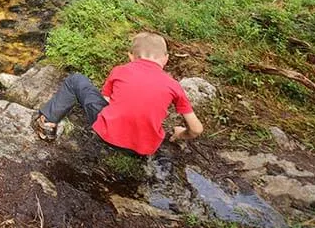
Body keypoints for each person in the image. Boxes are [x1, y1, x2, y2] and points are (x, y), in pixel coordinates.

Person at [31, 32, 203, 156]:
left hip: (108, 136)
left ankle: (47, 123)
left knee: (76, 80)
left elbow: (106, 101)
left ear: (131, 56)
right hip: (143, 150)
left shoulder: (121, 71)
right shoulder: (173, 85)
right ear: (165, 58)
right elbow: (196, 129)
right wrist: (180, 134)